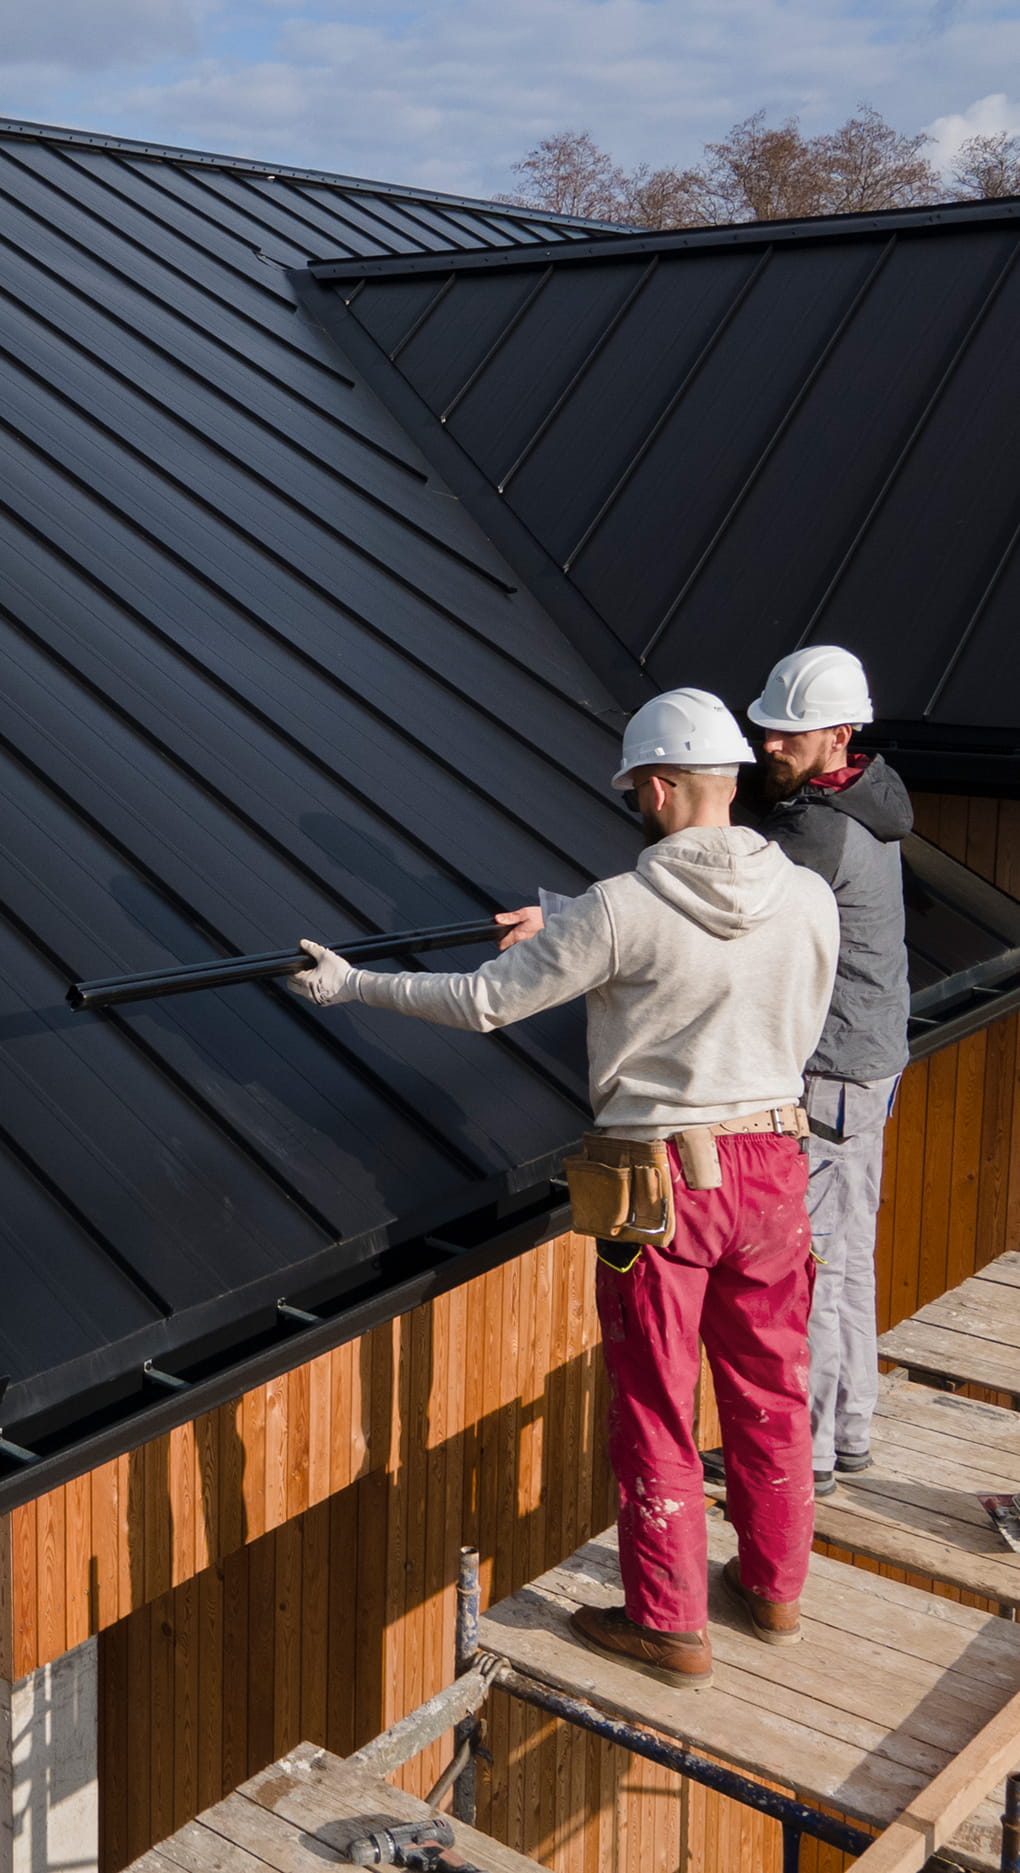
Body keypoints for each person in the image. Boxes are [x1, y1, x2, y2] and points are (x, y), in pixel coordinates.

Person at [289, 689, 836, 1687]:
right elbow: (709, 954)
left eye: (636, 788)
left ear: (662, 787)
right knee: (771, 1386)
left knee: (659, 1400)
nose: (634, 800)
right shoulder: (807, 893)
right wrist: (573, 919)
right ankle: (775, 1589)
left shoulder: (624, 909)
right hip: (776, 1168)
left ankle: (669, 1623)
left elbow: (484, 1001)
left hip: (664, 1181)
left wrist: (351, 985)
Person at [742, 645, 910, 1499]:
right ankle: (847, 1435)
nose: (767, 742)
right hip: (867, 1064)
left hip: (836, 1073)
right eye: (765, 725)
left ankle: (804, 1461)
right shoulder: (869, 799)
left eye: (788, 731)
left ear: (839, 733)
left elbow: (733, 898)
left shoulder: (817, 831)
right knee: (849, 1257)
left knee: (813, 1266)